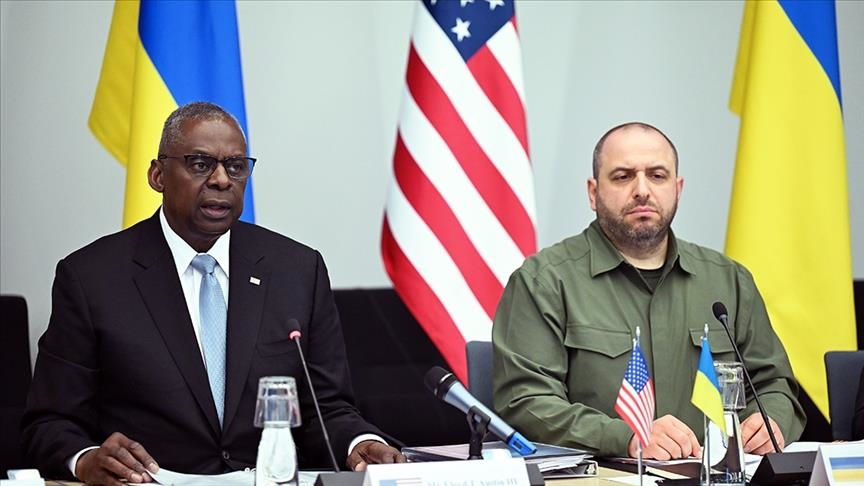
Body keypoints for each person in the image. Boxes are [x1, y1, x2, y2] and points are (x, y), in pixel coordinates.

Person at [22, 102, 405, 485]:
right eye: (200, 164)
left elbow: (327, 408)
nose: (222, 180)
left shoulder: (297, 271)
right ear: (158, 175)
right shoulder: (92, 277)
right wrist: (86, 460)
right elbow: (50, 423)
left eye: (236, 166)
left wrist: (359, 442)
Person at [492, 122, 805, 460]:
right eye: (623, 176)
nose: (642, 190)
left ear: (677, 189)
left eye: (657, 175)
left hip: (716, 475)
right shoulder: (544, 282)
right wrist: (626, 438)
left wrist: (771, 420)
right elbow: (526, 402)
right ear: (593, 193)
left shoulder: (729, 281)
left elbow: (774, 384)